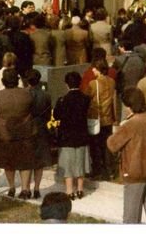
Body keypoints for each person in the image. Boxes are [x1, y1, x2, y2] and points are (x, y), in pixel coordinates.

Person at [107, 87, 146, 224]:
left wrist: (119, 128)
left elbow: (112, 145)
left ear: (129, 106)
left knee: (131, 217)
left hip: (135, 174)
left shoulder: (130, 124)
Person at [0, 68, 36, 199]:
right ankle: (25, 189)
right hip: (25, 131)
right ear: (17, 80)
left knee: (8, 162)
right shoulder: (27, 94)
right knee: (25, 162)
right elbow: (32, 109)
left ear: (3, 81)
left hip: (5, 133)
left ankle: (11, 187)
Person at [53, 71, 90, 200]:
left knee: (67, 164)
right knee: (80, 162)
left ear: (66, 84)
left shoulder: (62, 100)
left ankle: (69, 191)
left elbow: (56, 115)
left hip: (66, 136)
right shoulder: (86, 99)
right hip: (82, 134)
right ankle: (80, 190)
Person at [84, 57, 117, 180]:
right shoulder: (111, 81)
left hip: (96, 118)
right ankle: (110, 170)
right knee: (107, 145)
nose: (92, 70)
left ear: (98, 69)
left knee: (95, 146)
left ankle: (97, 169)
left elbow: (87, 98)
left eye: (94, 68)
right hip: (108, 118)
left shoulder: (93, 84)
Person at [27, 69, 53, 198]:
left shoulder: (25, 94)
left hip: (27, 127)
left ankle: (26, 187)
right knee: (39, 161)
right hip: (41, 126)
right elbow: (48, 114)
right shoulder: (46, 95)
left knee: (27, 159)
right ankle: (36, 188)